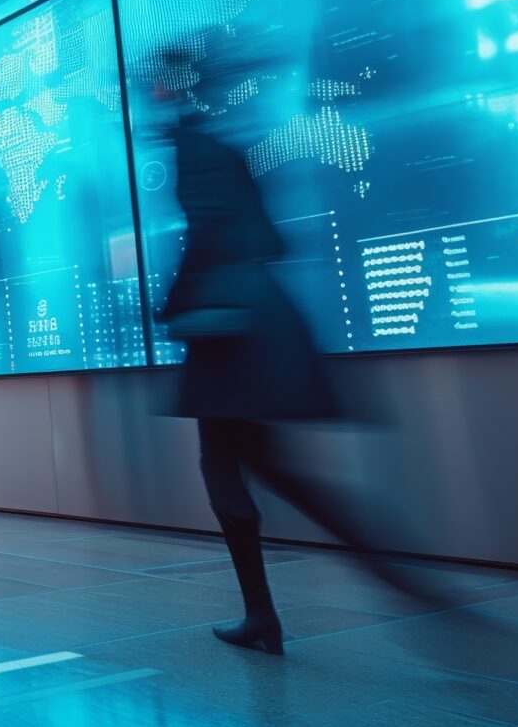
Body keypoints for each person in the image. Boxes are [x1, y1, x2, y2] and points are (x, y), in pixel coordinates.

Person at [153, 32, 437, 655]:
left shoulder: (195, 147)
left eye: (160, 76)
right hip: (257, 321)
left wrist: (171, 305)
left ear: (179, 83)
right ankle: (378, 583)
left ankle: (277, 613)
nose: (150, 88)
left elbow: (211, 232)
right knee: (264, 467)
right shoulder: (221, 145)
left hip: (229, 331)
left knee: (227, 466)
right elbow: (269, 239)